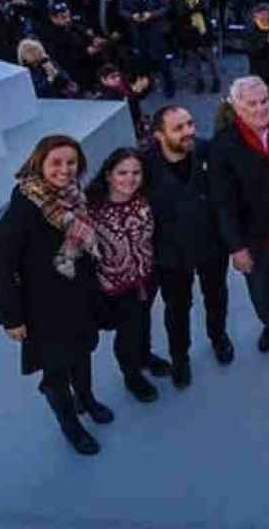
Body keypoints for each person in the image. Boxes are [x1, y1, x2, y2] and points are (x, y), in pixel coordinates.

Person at [0, 135, 109, 455]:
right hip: (44, 308)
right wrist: (10, 318)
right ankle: (72, 427)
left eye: (71, 163)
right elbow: (0, 265)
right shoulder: (26, 205)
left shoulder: (74, 197)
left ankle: (87, 399)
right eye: (56, 163)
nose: (65, 170)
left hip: (78, 298)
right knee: (55, 370)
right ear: (39, 163)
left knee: (82, 354)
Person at [210, 77, 269, 354]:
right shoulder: (223, 145)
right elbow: (223, 203)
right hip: (253, 232)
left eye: (264, 101)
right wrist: (237, 248)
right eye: (251, 104)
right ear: (237, 106)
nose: (260, 108)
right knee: (262, 286)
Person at [142, 105, 232, 389]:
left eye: (190, 124)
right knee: (177, 308)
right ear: (159, 135)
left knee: (216, 296)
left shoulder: (207, 150)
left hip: (211, 245)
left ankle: (218, 337)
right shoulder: (143, 165)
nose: (188, 132)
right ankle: (180, 358)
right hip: (170, 254)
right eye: (178, 128)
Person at [82, 147, 160, 403]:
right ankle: (132, 375)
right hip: (115, 286)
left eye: (136, 173)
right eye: (122, 173)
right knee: (127, 333)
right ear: (108, 175)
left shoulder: (145, 199)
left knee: (144, 320)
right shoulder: (91, 210)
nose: (130, 179)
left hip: (146, 277)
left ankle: (146, 356)